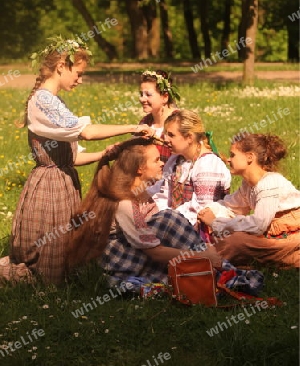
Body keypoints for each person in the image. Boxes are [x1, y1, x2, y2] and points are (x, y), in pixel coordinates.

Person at [5, 36, 153, 286]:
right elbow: (86, 132)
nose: (81, 80)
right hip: (49, 186)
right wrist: (131, 127)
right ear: (61, 66)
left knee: (59, 266)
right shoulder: (42, 101)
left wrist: (106, 154)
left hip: (62, 182)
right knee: (42, 271)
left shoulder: (54, 101)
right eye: (79, 73)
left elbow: (71, 156)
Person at [67, 137, 222, 285]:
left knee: (169, 219)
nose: (162, 163)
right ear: (140, 168)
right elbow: (156, 252)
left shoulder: (141, 194)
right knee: (168, 219)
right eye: (156, 160)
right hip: (116, 261)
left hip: (135, 253)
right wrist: (202, 256)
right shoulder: (124, 203)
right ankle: (217, 273)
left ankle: (214, 272)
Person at [198, 133, 300, 268]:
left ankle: (209, 260)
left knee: (234, 241)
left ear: (250, 157)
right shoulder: (248, 185)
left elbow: (258, 224)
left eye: (233, 155)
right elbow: (232, 206)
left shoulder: (269, 183)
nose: (228, 160)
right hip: (266, 231)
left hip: (288, 234)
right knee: (225, 237)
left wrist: (216, 222)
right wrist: (210, 210)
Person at [148, 110, 231, 241]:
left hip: (200, 233)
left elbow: (201, 209)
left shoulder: (208, 164)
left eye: (171, 135)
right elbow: (164, 193)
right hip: (174, 224)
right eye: (165, 134)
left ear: (189, 138)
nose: (165, 139)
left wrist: (164, 220)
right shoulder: (176, 160)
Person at [138, 70, 180, 162]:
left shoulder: (179, 121)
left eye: (148, 94)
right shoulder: (145, 122)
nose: (142, 99)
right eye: (141, 94)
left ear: (165, 97)